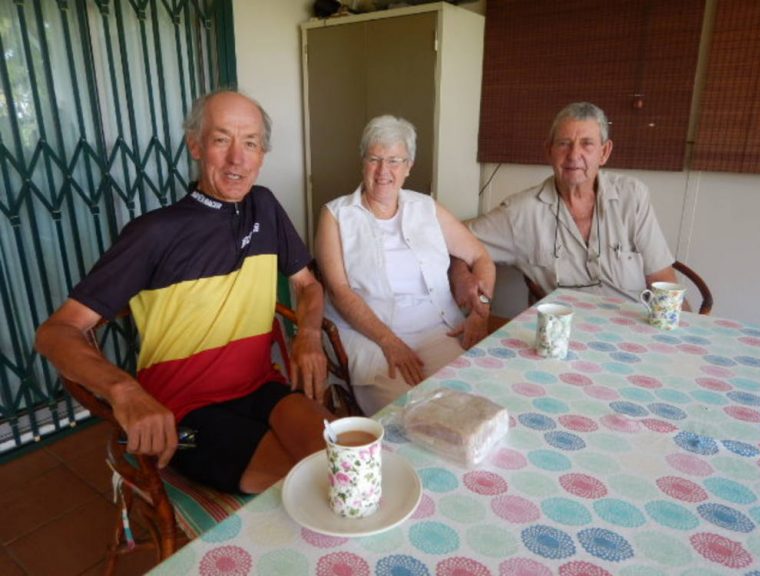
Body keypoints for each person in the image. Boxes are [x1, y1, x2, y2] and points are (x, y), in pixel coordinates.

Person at [36, 90, 332, 494]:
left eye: (250, 143)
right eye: (221, 139)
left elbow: (308, 285)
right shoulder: (154, 233)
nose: (237, 159)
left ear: (262, 154)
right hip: (180, 420)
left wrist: (309, 334)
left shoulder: (264, 207)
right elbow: (55, 332)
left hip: (262, 387)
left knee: (344, 462)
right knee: (306, 487)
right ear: (195, 145)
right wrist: (123, 390)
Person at [314, 115, 495, 416]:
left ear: (409, 166)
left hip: (438, 330)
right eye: (374, 159)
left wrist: (481, 311)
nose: (383, 171)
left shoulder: (426, 207)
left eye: (394, 161)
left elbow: (480, 257)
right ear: (362, 162)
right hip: (373, 339)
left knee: (475, 401)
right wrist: (390, 342)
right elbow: (339, 291)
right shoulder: (336, 215)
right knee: (408, 416)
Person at [453, 101, 688, 312]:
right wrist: (460, 275)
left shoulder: (632, 197)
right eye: (564, 144)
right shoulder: (521, 212)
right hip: (567, 333)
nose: (574, 155)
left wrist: (689, 332)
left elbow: (663, 280)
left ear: (604, 152)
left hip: (635, 327)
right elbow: (454, 237)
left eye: (587, 144)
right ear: (549, 151)